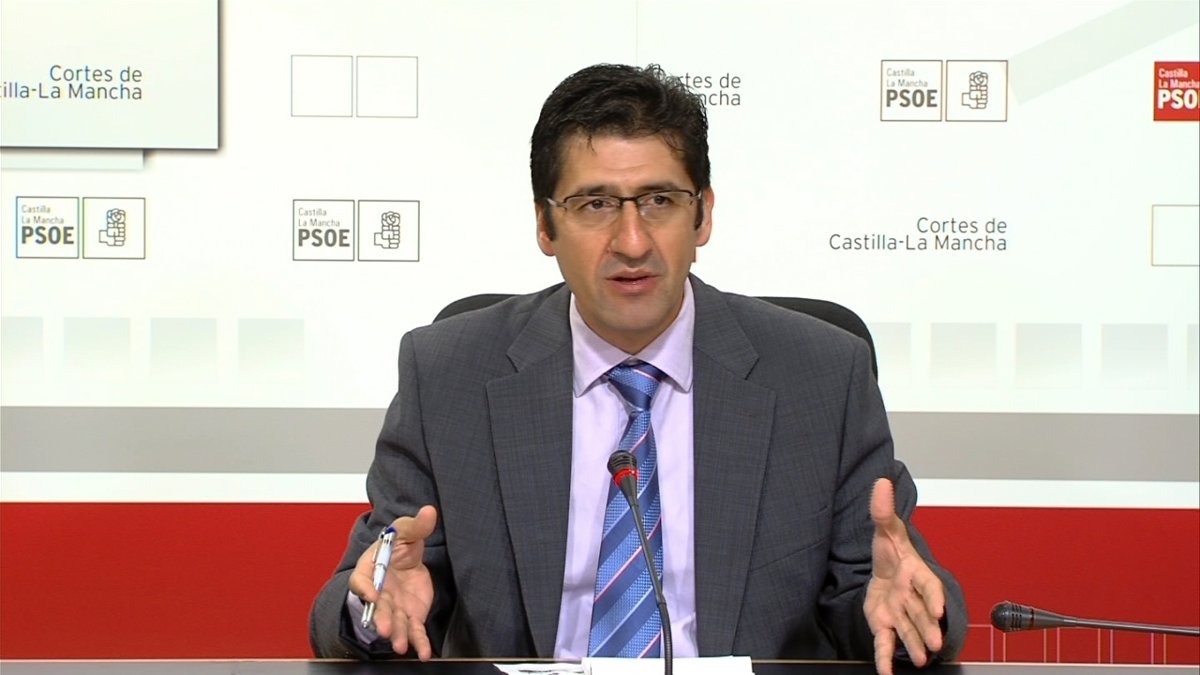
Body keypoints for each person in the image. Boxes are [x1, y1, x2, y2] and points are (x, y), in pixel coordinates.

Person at [310, 63, 967, 674]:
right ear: (545, 226)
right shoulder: (448, 374)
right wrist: (373, 610)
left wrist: (902, 613)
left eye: (659, 201)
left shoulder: (822, 377)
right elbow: (369, 592)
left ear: (702, 215)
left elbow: (878, 591)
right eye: (595, 204)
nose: (632, 241)